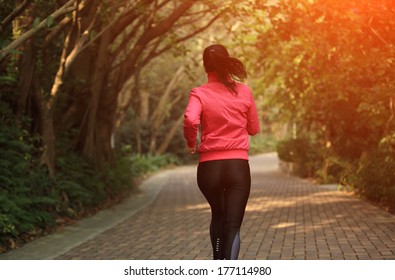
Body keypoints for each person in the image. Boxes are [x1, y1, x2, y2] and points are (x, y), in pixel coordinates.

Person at [183, 44, 260, 260]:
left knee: (218, 214)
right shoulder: (244, 91)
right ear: (226, 62)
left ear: (205, 67)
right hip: (237, 167)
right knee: (232, 225)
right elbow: (253, 128)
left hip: (209, 169)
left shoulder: (199, 93)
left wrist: (191, 142)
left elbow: (190, 119)